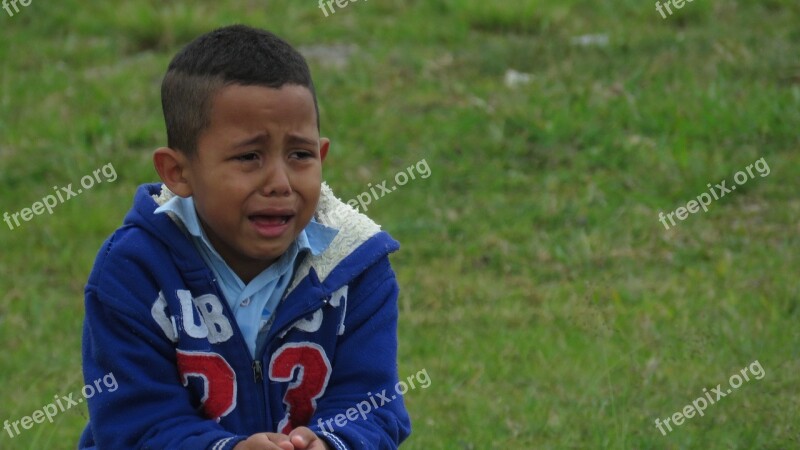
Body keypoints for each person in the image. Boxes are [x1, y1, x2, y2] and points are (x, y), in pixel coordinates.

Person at [79, 24, 411, 450]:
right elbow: (134, 423)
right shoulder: (133, 272)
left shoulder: (355, 265)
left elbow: (373, 402)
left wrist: (332, 442)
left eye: (300, 155)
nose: (280, 182)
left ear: (322, 155)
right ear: (178, 173)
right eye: (249, 157)